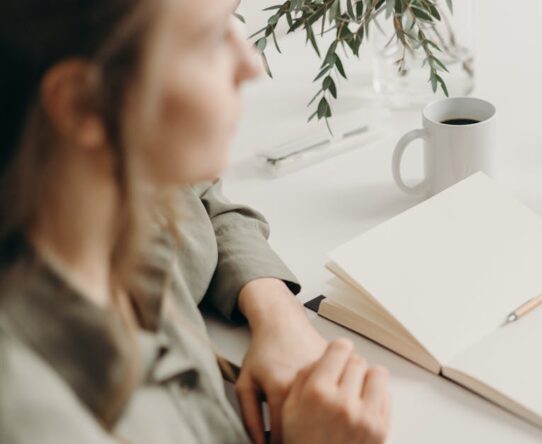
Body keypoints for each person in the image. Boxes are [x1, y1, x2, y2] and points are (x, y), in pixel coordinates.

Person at [0, 0, 391, 443]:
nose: (252, 64)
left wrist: (277, 314)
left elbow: (198, 193)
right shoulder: (35, 417)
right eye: (210, 38)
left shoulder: (113, 186)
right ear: (81, 104)